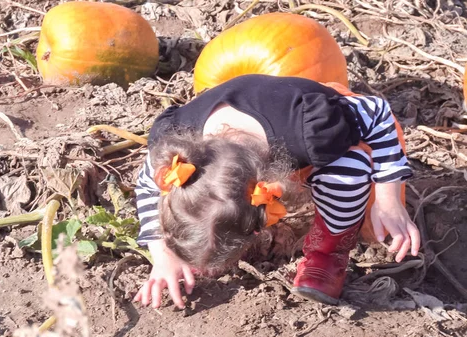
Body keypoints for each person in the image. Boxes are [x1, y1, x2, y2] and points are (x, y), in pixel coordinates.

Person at [131, 74, 420, 309]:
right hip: (264, 137)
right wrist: (162, 253)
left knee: (350, 167)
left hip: (313, 125)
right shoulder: (175, 145)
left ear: (261, 217)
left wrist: (387, 198)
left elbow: (380, 116)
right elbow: (145, 185)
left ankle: (328, 253)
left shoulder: (313, 127)